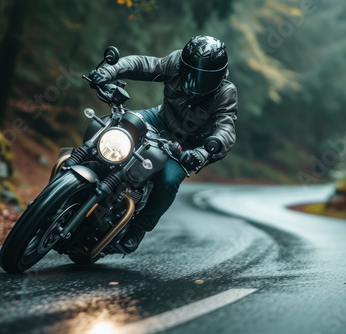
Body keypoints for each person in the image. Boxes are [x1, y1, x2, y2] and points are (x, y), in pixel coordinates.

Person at [88, 35, 238, 254]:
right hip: (159, 119)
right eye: (191, 72)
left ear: (218, 76)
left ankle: (138, 229)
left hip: (187, 147)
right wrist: (109, 71)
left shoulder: (226, 92)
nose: (195, 81)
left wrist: (203, 152)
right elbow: (143, 64)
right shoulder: (176, 61)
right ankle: (78, 179)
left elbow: (226, 129)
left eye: (204, 77)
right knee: (114, 126)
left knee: (168, 180)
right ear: (183, 65)